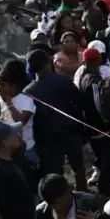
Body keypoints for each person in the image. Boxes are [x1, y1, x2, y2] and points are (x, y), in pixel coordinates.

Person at [24, 49, 87, 188]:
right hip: (71, 132)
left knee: (55, 174)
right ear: (48, 63)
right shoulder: (63, 81)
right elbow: (81, 102)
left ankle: (60, 195)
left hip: (47, 139)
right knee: (78, 168)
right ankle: (82, 192)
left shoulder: (28, 91)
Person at [78, 47, 110, 197]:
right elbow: (98, 104)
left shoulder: (83, 77)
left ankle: (106, 185)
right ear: (98, 61)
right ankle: (104, 187)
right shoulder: (93, 81)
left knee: (103, 157)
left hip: (92, 126)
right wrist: (108, 121)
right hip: (100, 127)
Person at [0, 60, 37, 164]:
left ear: (13, 86)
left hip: (26, 149)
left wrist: (9, 104)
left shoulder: (26, 100)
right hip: (7, 151)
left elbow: (21, 121)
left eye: (3, 85)